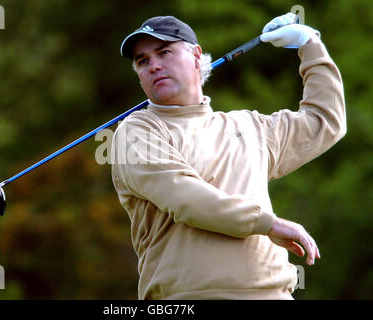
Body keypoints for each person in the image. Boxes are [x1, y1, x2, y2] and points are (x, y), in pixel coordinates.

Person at [110, 13, 346, 299]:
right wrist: (267, 223)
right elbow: (184, 197)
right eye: (142, 61)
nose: (154, 66)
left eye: (165, 52)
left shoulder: (250, 126)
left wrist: (309, 43)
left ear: (196, 56)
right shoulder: (136, 131)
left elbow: (324, 122)